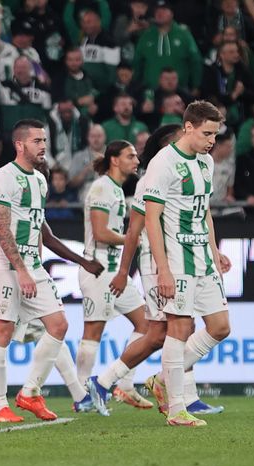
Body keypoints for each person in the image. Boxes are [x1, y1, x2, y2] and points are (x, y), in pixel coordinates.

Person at [92, 124, 227, 418]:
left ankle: (183, 394)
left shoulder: (193, 169)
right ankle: (106, 381)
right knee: (162, 333)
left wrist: (213, 250)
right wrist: (124, 270)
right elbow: (135, 230)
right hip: (158, 264)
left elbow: (199, 214)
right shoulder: (151, 180)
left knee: (175, 330)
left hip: (185, 257)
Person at [138, 101, 231, 427]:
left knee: (221, 327)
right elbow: (152, 219)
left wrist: (214, 249)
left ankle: (163, 379)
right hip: (176, 259)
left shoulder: (205, 161)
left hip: (202, 258)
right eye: (206, 133)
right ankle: (177, 409)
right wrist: (162, 268)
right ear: (188, 127)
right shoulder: (163, 163)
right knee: (178, 329)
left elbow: (203, 210)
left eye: (215, 134)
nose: (211, 141)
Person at [0, 119, 69, 423]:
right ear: (19, 145)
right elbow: (2, 230)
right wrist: (21, 270)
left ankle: (30, 392)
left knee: (58, 324)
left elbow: (36, 229)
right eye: (36, 141)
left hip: (32, 266)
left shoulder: (40, 180)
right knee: (1, 332)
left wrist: (36, 266)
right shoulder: (3, 177)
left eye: (44, 140)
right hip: (4, 266)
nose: (43, 146)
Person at [77, 140, 153, 414]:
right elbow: (100, 233)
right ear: (114, 160)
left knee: (147, 323)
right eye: (130, 156)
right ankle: (82, 393)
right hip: (97, 270)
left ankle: (125, 384)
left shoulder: (117, 190)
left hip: (113, 271)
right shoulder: (101, 188)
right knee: (93, 332)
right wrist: (133, 239)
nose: (136, 160)